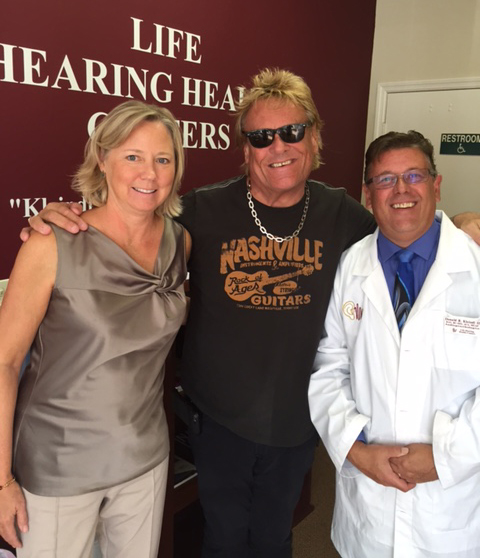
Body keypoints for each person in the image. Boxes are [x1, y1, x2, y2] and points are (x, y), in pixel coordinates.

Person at [21, 70, 480, 558]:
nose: (278, 146)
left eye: (292, 131)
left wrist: (463, 224)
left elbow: (403, 221)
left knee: (273, 538)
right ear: (245, 149)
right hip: (218, 421)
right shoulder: (201, 211)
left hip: (295, 423)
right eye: (261, 137)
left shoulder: (342, 213)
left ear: (314, 138)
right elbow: (128, 226)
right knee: (222, 539)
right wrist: (62, 222)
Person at [0, 100, 190, 558]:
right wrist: (1, 481)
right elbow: (4, 362)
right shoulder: (52, 243)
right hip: (58, 461)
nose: (149, 173)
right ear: (102, 159)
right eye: (133, 156)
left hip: (144, 455)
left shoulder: (179, 242)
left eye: (163, 159)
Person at [308, 130, 480, 558]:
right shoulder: (351, 266)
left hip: (452, 511)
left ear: (436, 185)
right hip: (368, 505)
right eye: (385, 180)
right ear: (368, 196)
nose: (401, 190)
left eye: (414, 176)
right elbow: (328, 366)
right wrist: (355, 450)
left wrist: (446, 457)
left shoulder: (474, 265)